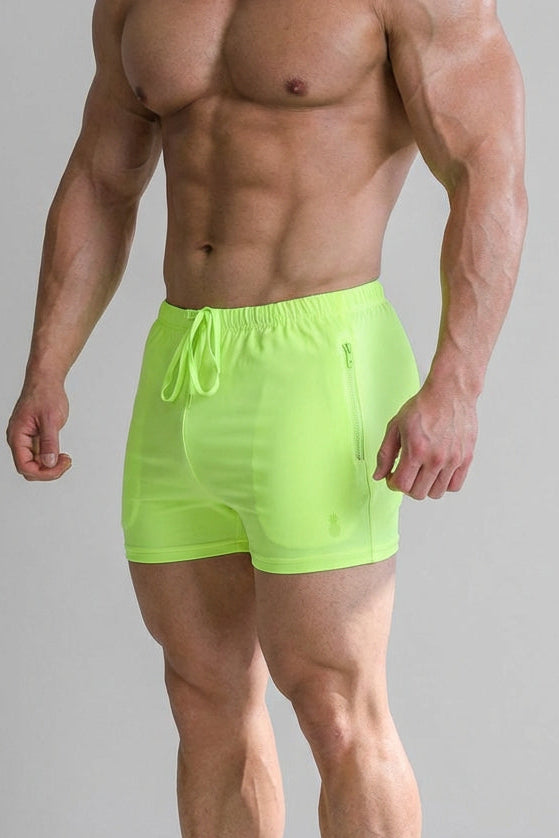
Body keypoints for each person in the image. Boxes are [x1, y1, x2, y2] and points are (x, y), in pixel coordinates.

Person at [6, 0, 527, 835]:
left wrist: (456, 383)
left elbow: (486, 168)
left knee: (334, 703)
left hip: (320, 363)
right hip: (180, 365)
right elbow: (102, 178)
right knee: (200, 694)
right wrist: (46, 365)